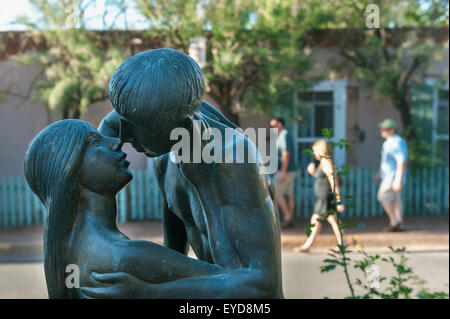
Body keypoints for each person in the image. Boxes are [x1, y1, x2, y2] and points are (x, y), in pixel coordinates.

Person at [84, 48, 283, 298]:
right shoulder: (164, 154)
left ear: (183, 128)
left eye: (135, 126)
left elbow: (261, 285)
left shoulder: (235, 160)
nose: (123, 135)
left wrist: (151, 294)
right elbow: (174, 257)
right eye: (123, 119)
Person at [24, 120, 221, 298]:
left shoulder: (81, 251)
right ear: (71, 171)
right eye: (95, 142)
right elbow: (247, 285)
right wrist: (204, 185)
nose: (115, 142)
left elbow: (168, 260)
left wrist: (172, 188)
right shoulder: (123, 256)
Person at [294, 140, 345, 253]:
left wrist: (338, 200)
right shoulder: (324, 162)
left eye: (315, 151)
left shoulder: (327, 162)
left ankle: (308, 245)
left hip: (325, 198)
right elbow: (322, 178)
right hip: (323, 198)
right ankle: (340, 244)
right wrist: (313, 173)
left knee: (324, 220)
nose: (314, 153)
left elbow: (333, 181)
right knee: (329, 220)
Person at [375, 118, 408, 232]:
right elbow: (386, 161)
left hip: (392, 177)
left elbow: (401, 161)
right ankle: (399, 223)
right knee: (395, 200)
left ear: (392, 130)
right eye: (382, 128)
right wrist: (379, 173)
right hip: (389, 176)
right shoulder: (388, 143)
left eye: (384, 129)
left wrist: (397, 180)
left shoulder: (396, 143)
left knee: (382, 196)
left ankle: (394, 221)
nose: (381, 131)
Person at [269, 117, 297, 228]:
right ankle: (291, 219)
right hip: (290, 170)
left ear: (280, 124)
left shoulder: (284, 135)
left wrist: (283, 171)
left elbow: (286, 154)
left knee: (275, 192)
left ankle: (287, 217)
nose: (271, 128)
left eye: (273, 125)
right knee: (289, 194)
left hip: (287, 170)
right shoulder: (281, 136)